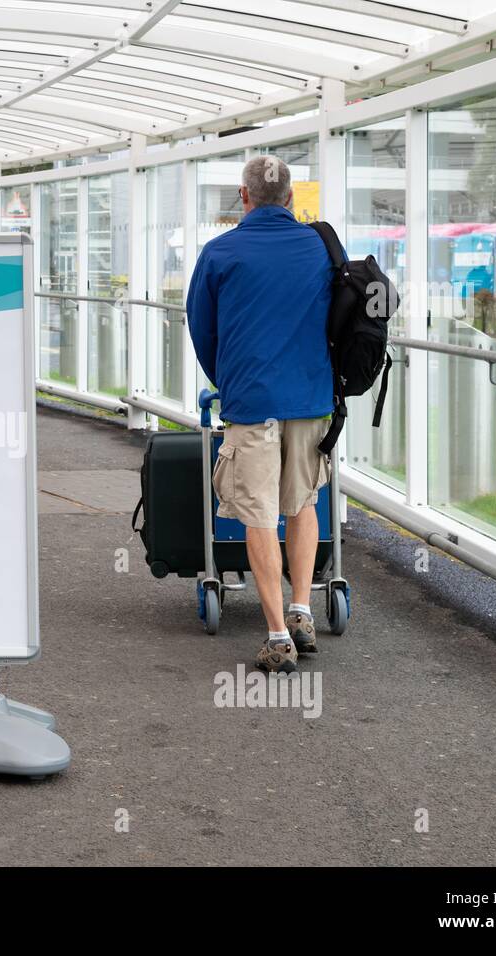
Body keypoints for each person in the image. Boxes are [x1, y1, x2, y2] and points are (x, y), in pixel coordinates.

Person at [186, 155, 338, 674]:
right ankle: (302, 610)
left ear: (243, 197)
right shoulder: (319, 247)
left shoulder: (220, 252)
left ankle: (277, 637)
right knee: (302, 503)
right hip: (312, 399)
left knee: (256, 513)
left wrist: (229, 380)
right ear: (291, 198)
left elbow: (202, 331)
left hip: (252, 402)